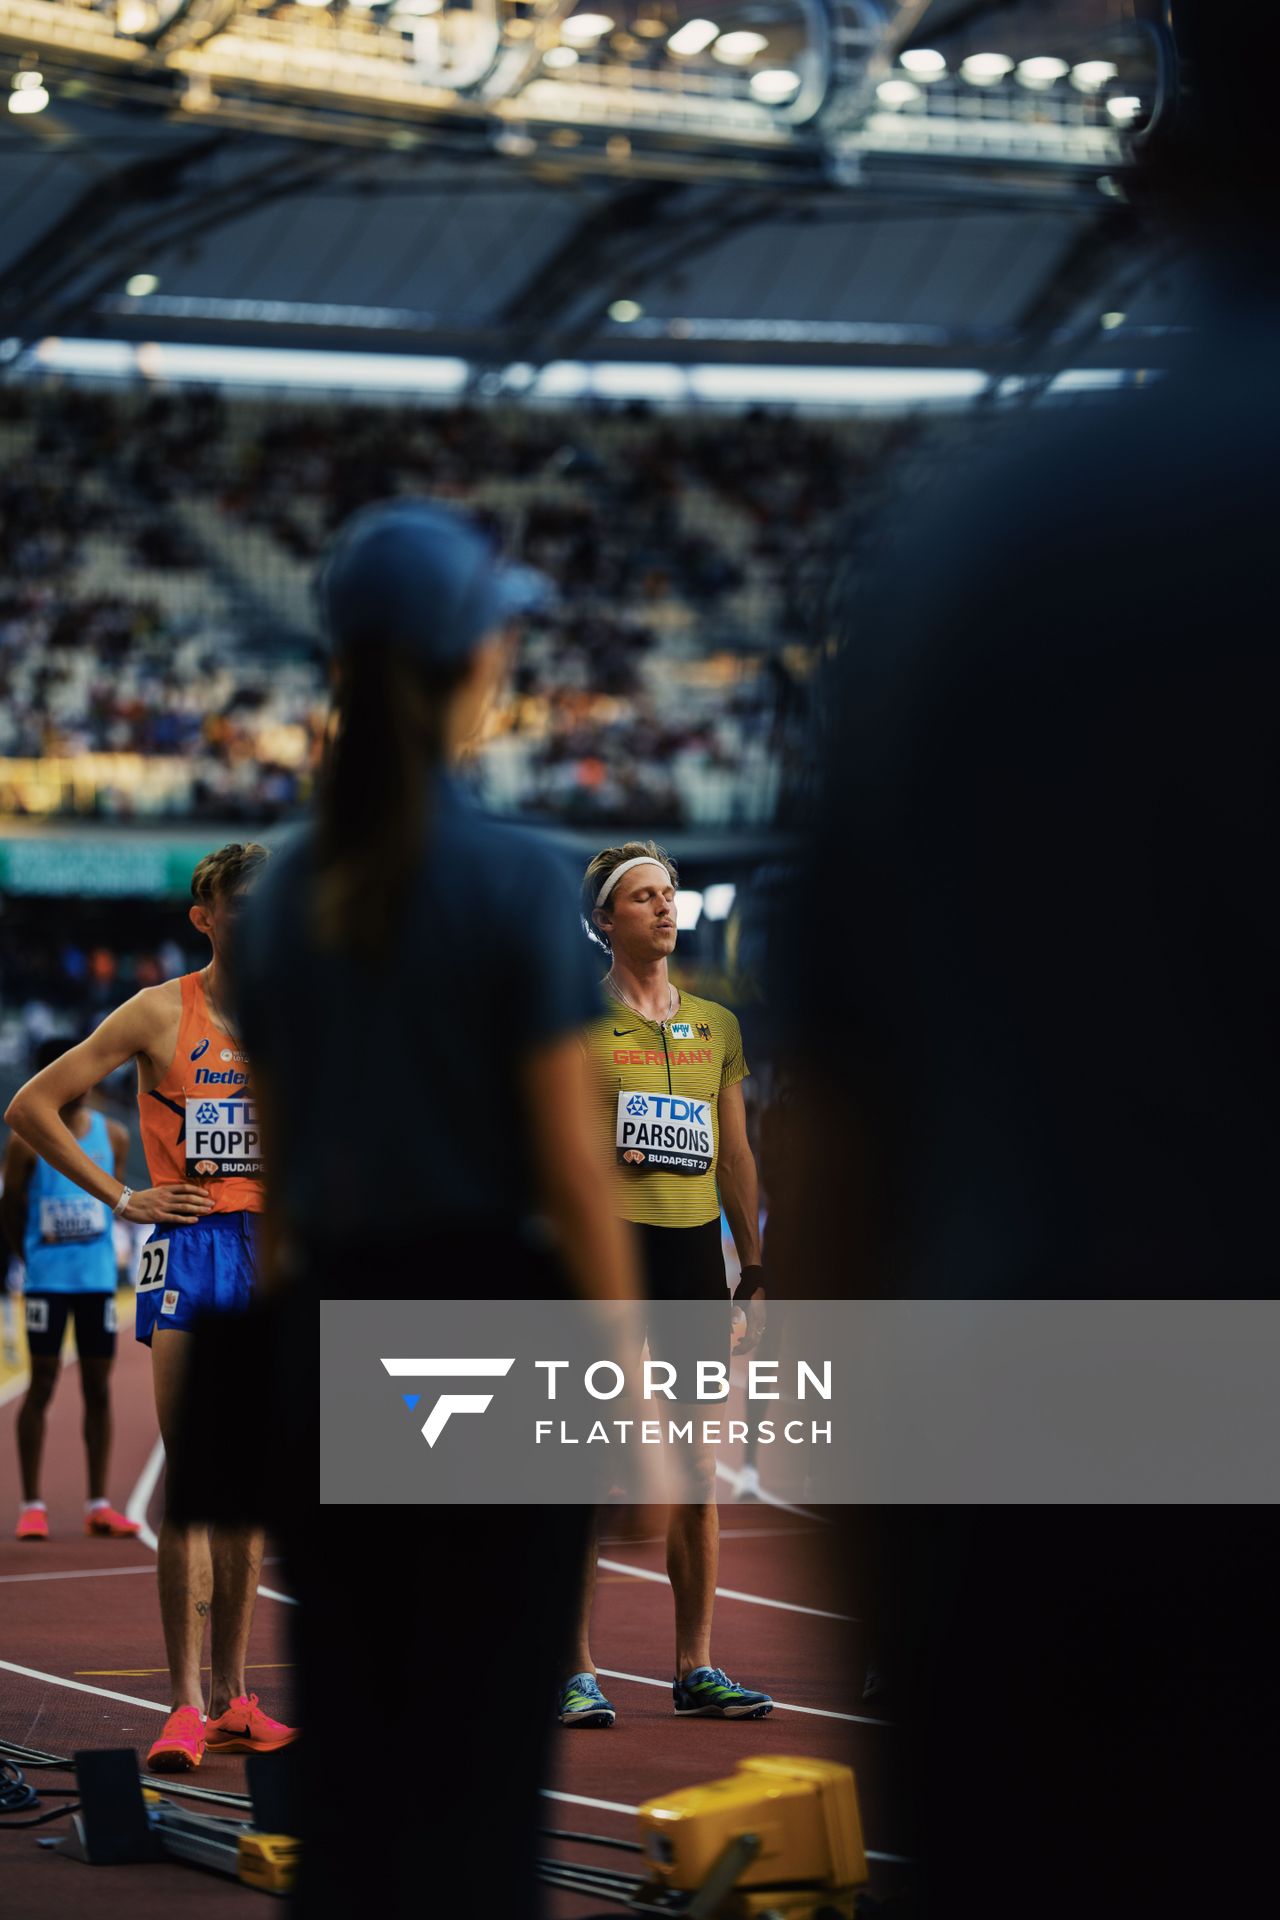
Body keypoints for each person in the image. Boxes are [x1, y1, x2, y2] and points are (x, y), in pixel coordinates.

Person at [219, 497, 638, 1916]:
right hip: (492, 1330)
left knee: (355, 1764)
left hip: (330, 1336)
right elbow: (577, 1178)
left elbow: (279, 1201)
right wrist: (632, 1416)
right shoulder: (518, 881)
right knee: (481, 1766)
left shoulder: (281, 901)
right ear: (468, 655)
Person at [3, 845, 296, 1774]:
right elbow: (31, 1106)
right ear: (204, 916)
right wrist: (119, 1196)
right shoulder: (162, 1010)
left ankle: (237, 1697)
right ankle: (181, 1703)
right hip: (194, 1249)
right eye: (237, 904)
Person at [559, 841, 772, 1729]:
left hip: (692, 1257)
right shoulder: (574, 1024)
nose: (664, 908)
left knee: (693, 1467)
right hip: (607, 1257)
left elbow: (736, 1154)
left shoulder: (717, 1025)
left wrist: (753, 1268)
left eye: (670, 894)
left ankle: (696, 1667)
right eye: (643, 897)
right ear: (606, 919)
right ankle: (573, 1670)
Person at [3, 1039, 138, 1543]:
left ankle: (98, 1503)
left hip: (97, 1284)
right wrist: (35, 1257)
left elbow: (114, 1201)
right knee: (40, 1387)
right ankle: (33, 1504)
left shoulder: (116, 1137)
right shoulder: (25, 1143)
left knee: (98, 1391)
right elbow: (10, 1209)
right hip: (47, 1285)